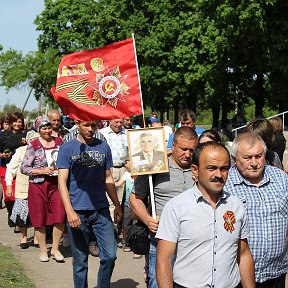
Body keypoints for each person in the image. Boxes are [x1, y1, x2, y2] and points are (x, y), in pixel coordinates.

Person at [156, 142, 255, 288]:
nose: (218, 175)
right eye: (211, 168)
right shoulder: (176, 207)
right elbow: (164, 258)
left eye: (224, 169)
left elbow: (244, 253)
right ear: (195, 170)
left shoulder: (237, 206)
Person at [130, 126, 198, 288]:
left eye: (191, 150)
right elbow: (135, 198)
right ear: (172, 145)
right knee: (157, 283)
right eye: (183, 149)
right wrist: (148, 220)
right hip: (160, 242)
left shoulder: (200, 167)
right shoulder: (155, 165)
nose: (187, 154)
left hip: (192, 245)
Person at [57, 120, 123, 288]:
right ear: (78, 124)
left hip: (101, 209)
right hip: (77, 211)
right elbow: (62, 182)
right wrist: (69, 211)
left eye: (94, 125)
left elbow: (108, 178)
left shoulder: (103, 146)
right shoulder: (67, 148)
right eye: (86, 125)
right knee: (80, 261)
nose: (90, 129)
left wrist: (117, 204)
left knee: (109, 255)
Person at [224, 132, 288, 287]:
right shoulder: (225, 184)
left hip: (276, 272)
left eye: (258, 156)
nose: (254, 163)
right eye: (247, 158)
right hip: (237, 275)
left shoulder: (281, 179)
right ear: (234, 159)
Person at [21, 116, 65, 262]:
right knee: (39, 218)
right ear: (38, 130)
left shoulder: (59, 142)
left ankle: (55, 248)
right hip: (38, 185)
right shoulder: (33, 145)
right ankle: (43, 251)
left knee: (59, 216)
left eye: (49, 128)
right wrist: (42, 171)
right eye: (44, 128)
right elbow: (24, 168)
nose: (47, 131)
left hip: (57, 184)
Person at [5, 130, 39, 249]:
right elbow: (10, 169)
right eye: (33, 139)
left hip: (38, 188)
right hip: (23, 188)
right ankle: (23, 237)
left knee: (37, 214)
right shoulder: (20, 151)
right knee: (22, 215)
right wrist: (9, 185)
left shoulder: (43, 151)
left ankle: (36, 237)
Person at [0, 111, 26, 229]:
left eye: (19, 121)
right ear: (11, 123)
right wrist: (2, 155)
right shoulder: (3, 135)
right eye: (15, 121)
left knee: (19, 196)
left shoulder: (26, 135)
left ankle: (17, 220)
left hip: (22, 171)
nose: (17, 124)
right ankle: (11, 213)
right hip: (6, 168)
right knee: (9, 197)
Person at [114, 157, 142, 259]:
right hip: (127, 204)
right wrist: (109, 183)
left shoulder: (140, 174)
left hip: (138, 204)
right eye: (125, 162)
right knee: (126, 225)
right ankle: (127, 242)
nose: (125, 163)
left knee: (137, 225)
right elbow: (118, 183)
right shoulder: (126, 174)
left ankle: (137, 246)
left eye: (127, 161)